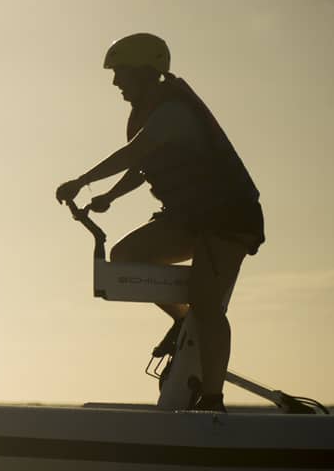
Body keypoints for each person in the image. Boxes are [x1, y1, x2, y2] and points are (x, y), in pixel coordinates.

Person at [55, 33, 264, 411]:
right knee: (126, 257)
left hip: (228, 219)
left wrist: (82, 181)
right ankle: (186, 321)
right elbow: (142, 166)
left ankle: (213, 400)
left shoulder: (172, 113)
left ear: (144, 73)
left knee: (206, 304)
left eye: (120, 73)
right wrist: (109, 197)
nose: (115, 82)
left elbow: (133, 152)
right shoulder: (152, 114)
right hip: (192, 218)